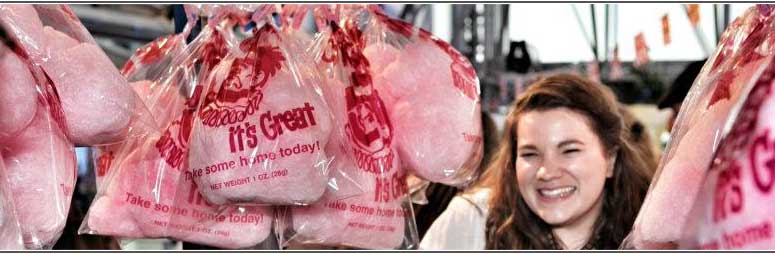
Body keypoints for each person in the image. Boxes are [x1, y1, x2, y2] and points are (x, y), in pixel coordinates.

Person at [420, 74, 653, 250]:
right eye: (530, 154)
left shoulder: (655, 236)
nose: (547, 172)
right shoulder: (472, 221)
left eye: (569, 150)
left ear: (610, 158)